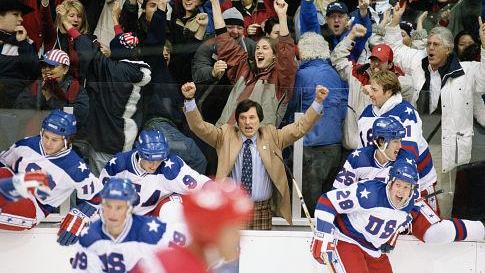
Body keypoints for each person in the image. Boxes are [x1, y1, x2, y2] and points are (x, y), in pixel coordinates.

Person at [181, 81, 329, 229]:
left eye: (252, 118)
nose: (248, 122)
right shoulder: (225, 135)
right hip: (233, 207)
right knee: (233, 251)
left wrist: (318, 102)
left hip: (262, 210)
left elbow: (299, 127)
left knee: (262, 251)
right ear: (237, 122)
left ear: (260, 120)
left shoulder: (272, 136)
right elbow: (199, 127)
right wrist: (189, 100)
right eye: (243, 118)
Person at [384, 2, 485, 218]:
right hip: (417, 141)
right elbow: (396, 49)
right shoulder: (419, 62)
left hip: (444, 143)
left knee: (441, 196)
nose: (430, 48)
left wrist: (484, 46)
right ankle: (414, 229)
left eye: (436, 45)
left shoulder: (466, 71)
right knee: (413, 188)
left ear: (448, 50)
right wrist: (395, 20)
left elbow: (484, 79)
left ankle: (440, 231)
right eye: (428, 44)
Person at [311, 160, 485, 273]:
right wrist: (322, 237)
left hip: (373, 248)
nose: (400, 191)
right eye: (398, 185)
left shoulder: (411, 205)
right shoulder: (369, 192)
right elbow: (327, 201)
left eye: (406, 187)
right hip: (346, 240)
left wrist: (389, 239)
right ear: (390, 183)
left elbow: (406, 225)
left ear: (412, 190)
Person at [64, 17, 152, 175]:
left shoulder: (113, 70)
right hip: (126, 135)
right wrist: (116, 23)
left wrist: (69, 26)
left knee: (103, 188)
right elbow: (123, 45)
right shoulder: (138, 69)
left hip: (108, 141)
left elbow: (87, 51)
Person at [0, 110, 102, 246]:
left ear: (67, 140)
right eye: (46, 136)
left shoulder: (75, 167)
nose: (48, 143)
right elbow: (3, 163)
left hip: (32, 207)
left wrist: (80, 216)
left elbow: (98, 196)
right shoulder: (27, 144)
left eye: (54, 140)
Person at [286, 28, 347, 216]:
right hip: (335, 145)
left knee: (308, 209)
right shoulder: (335, 74)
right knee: (327, 204)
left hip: (309, 146)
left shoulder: (302, 76)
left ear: (302, 52)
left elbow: (291, 107)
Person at [358, 71, 438, 212]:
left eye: (375, 90)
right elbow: (363, 152)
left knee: (424, 228)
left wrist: (391, 182)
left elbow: (408, 153)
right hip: (385, 184)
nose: (370, 93)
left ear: (388, 92)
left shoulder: (405, 112)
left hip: (415, 182)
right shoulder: (366, 114)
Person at [71, 178, 187, 273]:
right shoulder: (88, 238)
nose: (112, 213)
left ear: (129, 208)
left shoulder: (155, 231)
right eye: (108, 206)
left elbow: (192, 245)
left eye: (119, 207)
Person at [132, 182, 253, 273]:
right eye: (233, 230)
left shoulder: (204, 266)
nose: (239, 237)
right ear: (209, 230)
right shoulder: (162, 268)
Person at [211, 0, 296, 128]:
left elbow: (287, 54)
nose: (259, 51)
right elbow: (224, 40)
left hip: (257, 142)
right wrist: (215, 4)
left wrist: (282, 16)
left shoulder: (280, 79)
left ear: (275, 55)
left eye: (265, 48)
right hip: (227, 137)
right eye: (257, 48)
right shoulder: (245, 70)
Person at [330, 24, 413, 150]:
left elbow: (410, 88)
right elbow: (337, 58)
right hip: (355, 147)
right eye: (373, 60)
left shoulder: (400, 81)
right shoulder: (357, 73)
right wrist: (351, 36)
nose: (375, 65)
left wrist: (381, 85)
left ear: (390, 64)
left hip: (384, 150)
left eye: (380, 61)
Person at [98, 129, 210, 218]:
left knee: (172, 210)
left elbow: (200, 183)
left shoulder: (171, 166)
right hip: (125, 217)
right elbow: (99, 194)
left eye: (159, 160)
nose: (154, 166)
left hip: (156, 213)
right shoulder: (119, 164)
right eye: (150, 160)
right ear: (140, 154)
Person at [14, 49, 89, 129]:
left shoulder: (76, 89)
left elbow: (79, 116)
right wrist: (41, 97)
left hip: (66, 137)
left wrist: (50, 99)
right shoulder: (35, 86)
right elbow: (19, 111)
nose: (46, 69)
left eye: (52, 66)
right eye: (43, 65)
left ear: (65, 69)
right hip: (37, 133)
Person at [333, 116, 415, 189]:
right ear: (381, 141)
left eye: (400, 141)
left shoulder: (406, 161)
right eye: (395, 141)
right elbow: (337, 192)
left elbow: (411, 200)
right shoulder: (358, 159)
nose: (400, 146)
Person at [300, 0, 372, 62]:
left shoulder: (353, 37)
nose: (336, 20)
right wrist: (308, 3)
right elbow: (310, 25)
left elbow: (363, 31)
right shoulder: (320, 38)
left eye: (340, 16)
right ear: (326, 20)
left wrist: (363, 11)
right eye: (332, 16)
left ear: (347, 20)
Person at [0, 0, 39, 108]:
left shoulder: (26, 44)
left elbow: (34, 73)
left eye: (21, 15)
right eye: (15, 14)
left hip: (12, 112)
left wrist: (23, 44)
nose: (21, 19)